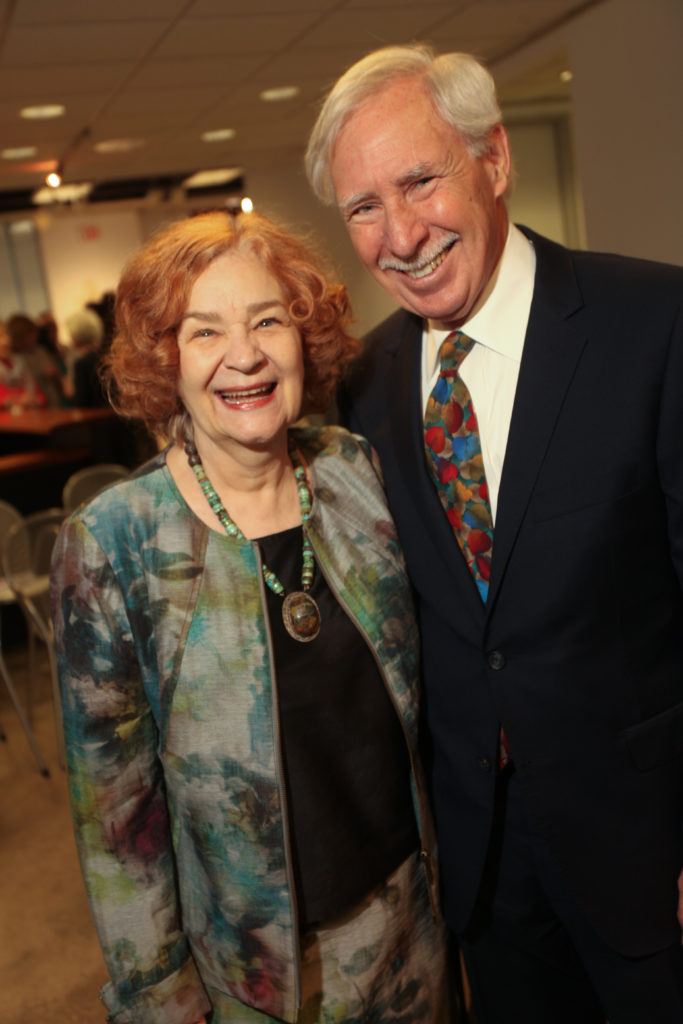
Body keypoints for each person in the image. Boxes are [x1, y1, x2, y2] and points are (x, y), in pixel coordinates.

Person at [305, 43, 683, 1024]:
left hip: (647, 852)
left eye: (418, 181)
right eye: (361, 207)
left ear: (494, 161)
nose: (398, 235)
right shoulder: (357, 388)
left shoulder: (655, 321)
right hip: (480, 873)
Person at [50, 210, 448, 1024]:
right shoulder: (115, 542)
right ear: (167, 362)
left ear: (305, 338)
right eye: (205, 333)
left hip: (412, 929)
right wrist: (158, 995)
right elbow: (115, 818)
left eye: (269, 320)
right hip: (258, 979)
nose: (245, 356)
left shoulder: (353, 472)